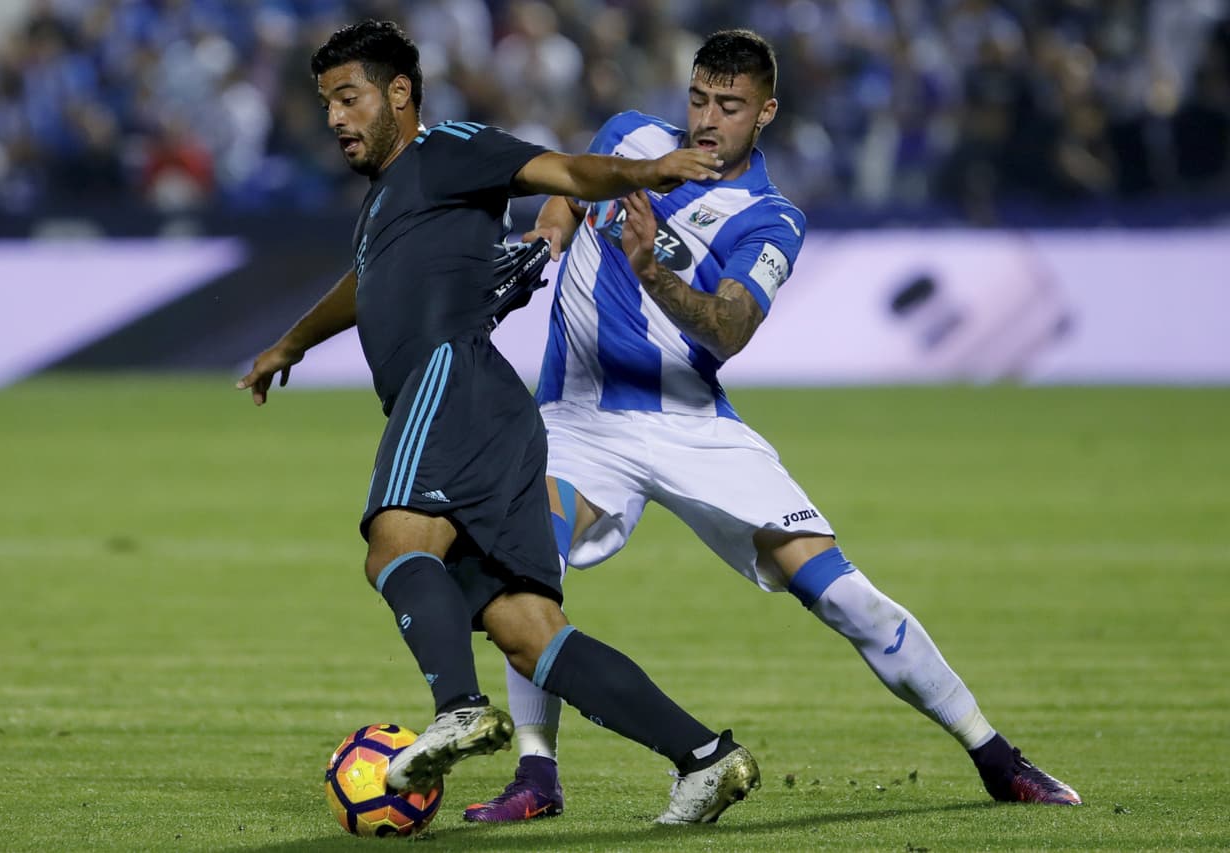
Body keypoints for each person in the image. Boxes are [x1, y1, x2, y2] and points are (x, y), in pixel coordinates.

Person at [463, 28, 1081, 824]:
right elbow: (572, 184)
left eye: (730, 106)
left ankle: (996, 755)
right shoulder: (630, 137)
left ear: (766, 113)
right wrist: (549, 231)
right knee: (524, 569)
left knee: (843, 595)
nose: (707, 119)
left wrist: (651, 270)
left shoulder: (769, 216)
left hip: (693, 425)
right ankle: (537, 775)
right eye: (699, 99)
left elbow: (730, 328)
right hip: (578, 419)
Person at [236, 19, 762, 826]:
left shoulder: (448, 149)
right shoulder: (390, 201)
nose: (336, 117)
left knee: (394, 542)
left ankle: (458, 707)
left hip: (452, 379)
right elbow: (366, 281)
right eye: (327, 103)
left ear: (399, 94)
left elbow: (562, 169)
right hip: (495, 416)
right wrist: (290, 341)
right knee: (528, 629)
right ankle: (704, 756)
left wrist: (648, 169)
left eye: (349, 98)